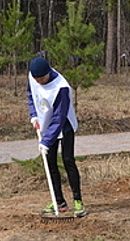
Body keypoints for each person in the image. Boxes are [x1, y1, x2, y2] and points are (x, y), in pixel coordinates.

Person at [27, 57, 87, 217]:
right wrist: (34, 115)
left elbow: (59, 117)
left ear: (49, 72)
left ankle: (78, 201)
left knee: (68, 160)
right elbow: (31, 95)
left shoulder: (61, 87)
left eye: (42, 79)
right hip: (46, 124)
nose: (39, 82)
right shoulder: (32, 77)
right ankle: (59, 201)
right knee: (50, 162)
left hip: (64, 125)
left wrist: (46, 141)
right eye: (36, 79)